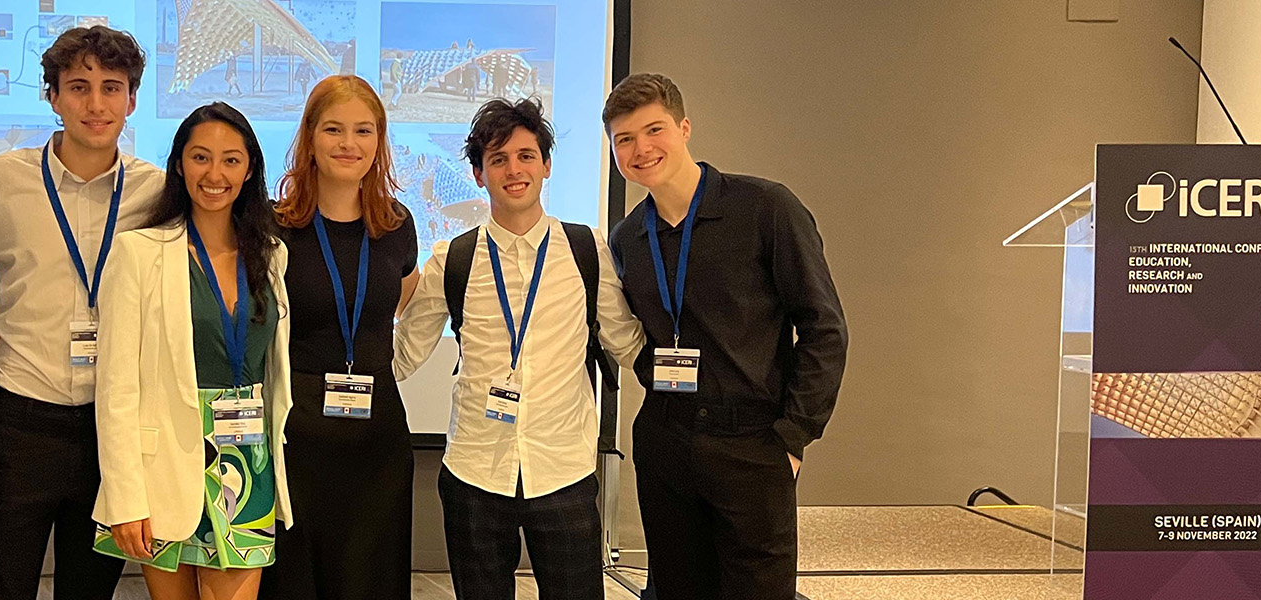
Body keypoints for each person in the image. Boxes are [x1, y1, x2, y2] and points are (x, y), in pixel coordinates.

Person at [602, 73, 847, 599]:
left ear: (684, 128)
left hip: (752, 443)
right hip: (666, 441)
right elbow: (636, 335)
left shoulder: (765, 208)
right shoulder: (628, 239)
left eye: (654, 130)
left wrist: (793, 436)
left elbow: (824, 327)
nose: (641, 149)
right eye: (625, 139)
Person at [394, 98, 644, 600]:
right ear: (479, 174)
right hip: (474, 472)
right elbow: (403, 356)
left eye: (526, 156)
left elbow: (628, 343)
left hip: (565, 471)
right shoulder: (451, 258)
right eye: (498, 159)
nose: (514, 170)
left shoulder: (586, 250)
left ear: (546, 165)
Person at [0, 25, 161, 600]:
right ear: (53, 96)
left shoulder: (156, 192)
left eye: (111, 88)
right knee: (2, 586)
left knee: (90, 590)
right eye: (78, 87)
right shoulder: (1, 180)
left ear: (131, 100)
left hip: (111, 430)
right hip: (22, 422)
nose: (96, 104)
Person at [90, 102, 294, 600]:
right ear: (179, 165)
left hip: (248, 462)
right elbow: (116, 388)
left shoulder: (271, 255)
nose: (215, 174)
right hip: (163, 467)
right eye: (201, 157)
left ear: (249, 170)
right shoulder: (139, 253)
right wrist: (124, 497)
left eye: (231, 160)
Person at [259, 75, 418, 600]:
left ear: (379, 140)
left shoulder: (397, 225)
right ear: (309, 136)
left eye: (363, 131)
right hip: (298, 434)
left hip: (378, 440)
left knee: (372, 579)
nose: (349, 143)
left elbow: (399, 299)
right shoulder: (274, 225)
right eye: (333, 129)